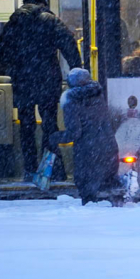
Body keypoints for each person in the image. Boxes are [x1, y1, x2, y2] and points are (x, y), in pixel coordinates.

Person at [0, 0, 82, 182]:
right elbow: (69, 45)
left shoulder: (14, 22)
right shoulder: (50, 20)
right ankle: (52, 171)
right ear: (43, 4)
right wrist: (76, 70)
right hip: (48, 79)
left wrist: (15, 62)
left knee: (27, 126)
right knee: (49, 125)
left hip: (22, 80)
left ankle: (29, 170)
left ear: (25, 4)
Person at [48, 68, 119, 205]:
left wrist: (55, 137)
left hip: (87, 151)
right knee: (104, 192)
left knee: (87, 193)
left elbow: (75, 132)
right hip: (108, 146)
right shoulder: (97, 94)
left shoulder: (71, 101)